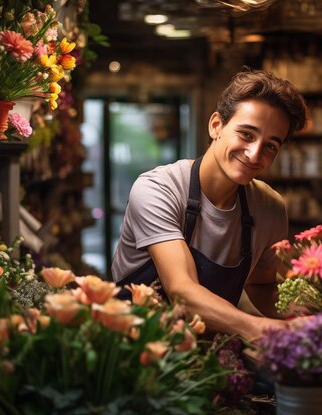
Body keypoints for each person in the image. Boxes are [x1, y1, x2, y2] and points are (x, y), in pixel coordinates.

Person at [111, 67, 308, 341]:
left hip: (212, 358)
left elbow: (261, 285)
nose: (254, 154)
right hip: (137, 354)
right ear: (216, 125)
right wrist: (262, 328)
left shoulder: (270, 208)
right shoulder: (158, 189)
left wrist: (312, 314)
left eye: (270, 146)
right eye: (247, 135)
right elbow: (182, 291)